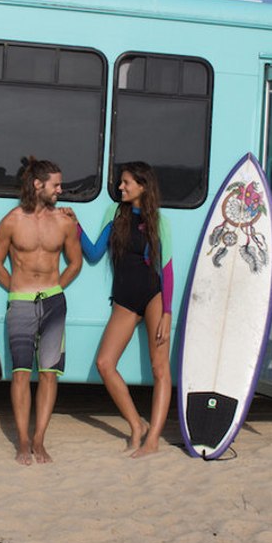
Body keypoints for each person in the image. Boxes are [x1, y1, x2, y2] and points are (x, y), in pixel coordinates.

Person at [68, 161, 173, 458]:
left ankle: (153, 440)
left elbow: (167, 270)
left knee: (160, 369)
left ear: (142, 186)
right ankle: (136, 425)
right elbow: (93, 253)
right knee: (105, 363)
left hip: (153, 297)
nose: (121, 187)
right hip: (125, 299)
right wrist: (75, 224)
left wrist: (167, 313)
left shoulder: (159, 222)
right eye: (122, 182)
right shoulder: (114, 215)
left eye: (126, 182)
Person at [0, 158, 82, 465]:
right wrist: (17, 289)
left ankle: (39, 439)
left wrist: (56, 288)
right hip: (21, 303)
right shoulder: (12, 221)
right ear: (37, 184)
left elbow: (76, 262)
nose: (60, 190)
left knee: (49, 374)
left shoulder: (64, 222)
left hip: (53, 303)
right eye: (56, 185)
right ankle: (23, 441)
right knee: (20, 373)